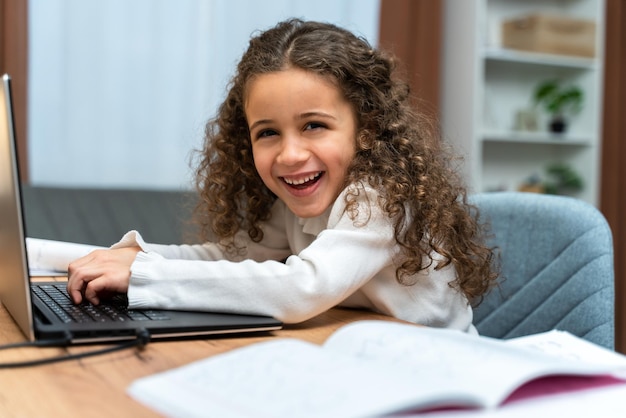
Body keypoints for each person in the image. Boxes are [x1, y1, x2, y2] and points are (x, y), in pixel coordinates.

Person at [67, 18, 498, 332]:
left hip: (442, 370)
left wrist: (145, 277)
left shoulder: (379, 197)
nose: (290, 154)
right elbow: (233, 259)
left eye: (314, 125)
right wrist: (135, 259)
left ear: (366, 129)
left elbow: (302, 287)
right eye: (268, 132)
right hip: (368, 359)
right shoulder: (301, 197)